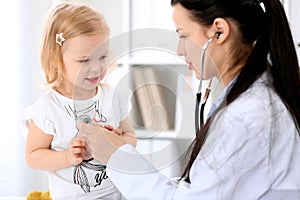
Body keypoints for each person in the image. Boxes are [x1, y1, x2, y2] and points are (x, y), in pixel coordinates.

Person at [77, 0, 300, 199]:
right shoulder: (253, 100)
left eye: (183, 35)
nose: (179, 50)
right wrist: (119, 151)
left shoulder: (245, 118)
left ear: (219, 31)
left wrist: (117, 157)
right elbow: (201, 190)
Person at [24, 2, 136, 200]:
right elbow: (33, 156)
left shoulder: (114, 97)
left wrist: (117, 140)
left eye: (102, 56)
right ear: (56, 59)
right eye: (84, 60)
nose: (96, 68)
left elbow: (131, 140)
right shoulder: (49, 108)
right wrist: (67, 157)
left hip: (117, 194)